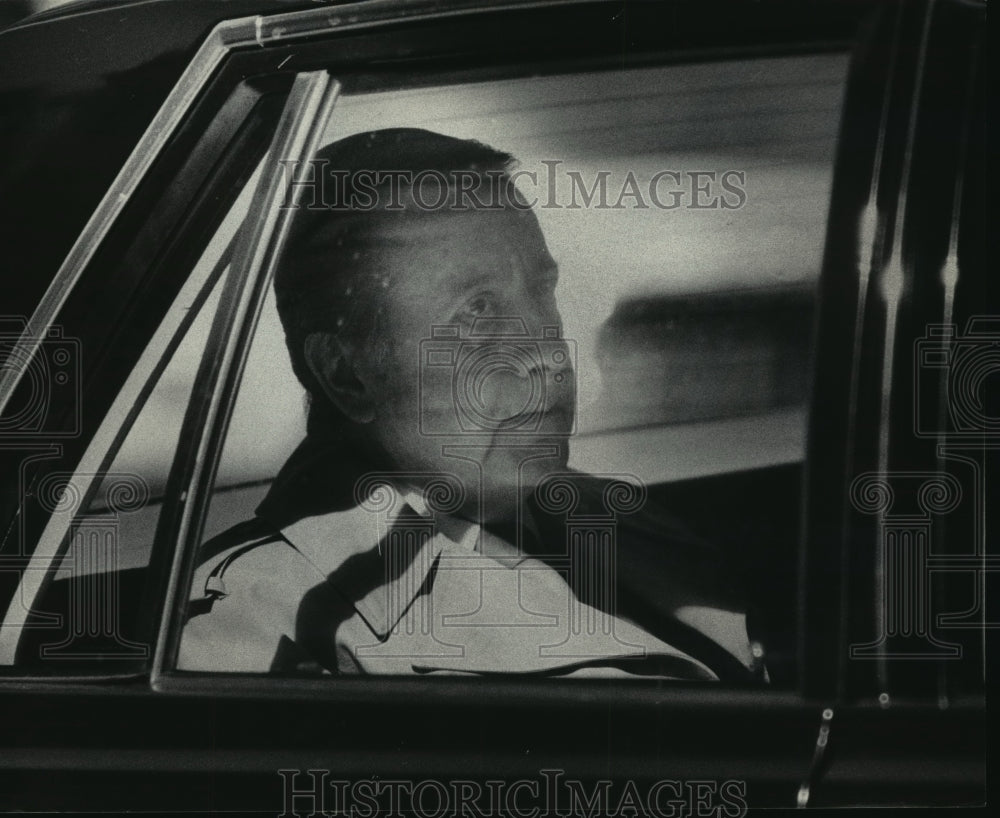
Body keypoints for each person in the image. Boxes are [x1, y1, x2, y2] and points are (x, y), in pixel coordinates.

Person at [179, 129, 762, 682]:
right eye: (478, 311)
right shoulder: (264, 625)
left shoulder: (614, 514)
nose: (546, 352)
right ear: (346, 373)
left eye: (543, 291)